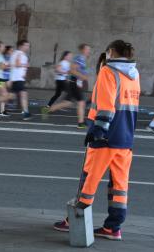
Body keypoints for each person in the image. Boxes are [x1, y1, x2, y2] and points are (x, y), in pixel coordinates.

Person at [54, 40, 140, 241]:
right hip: (125, 139)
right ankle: (113, 227)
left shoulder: (108, 72)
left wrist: (98, 130)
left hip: (105, 138)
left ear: (110, 52)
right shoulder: (134, 74)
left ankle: (73, 220)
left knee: (88, 181)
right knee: (119, 186)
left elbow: (106, 105)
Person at [42, 44, 91, 128]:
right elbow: (72, 70)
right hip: (74, 82)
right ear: (83, 50)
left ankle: (46, 110)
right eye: (87, 49)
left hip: (75, 83)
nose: (89, 51)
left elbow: (77, 70)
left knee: (67, 103)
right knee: (81, 102)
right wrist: (82, 77)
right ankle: (81, 123)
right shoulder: (80, 58)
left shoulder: (82, 59)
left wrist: (81, 78)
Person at [0, 40, 32, 120]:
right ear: (21, 46)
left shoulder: (15, 54)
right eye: (26, 45)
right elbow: (17, 64)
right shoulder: (19, 54)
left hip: (15, 78)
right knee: (20, 95)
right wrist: (26, 65)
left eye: (28, 46)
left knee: (15, 95)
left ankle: (26, 113)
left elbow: (12, 65)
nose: (28, 47)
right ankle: (26, 113)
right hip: (17, 79)